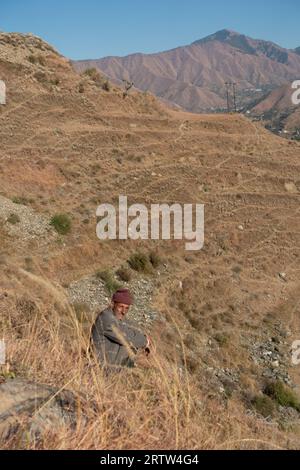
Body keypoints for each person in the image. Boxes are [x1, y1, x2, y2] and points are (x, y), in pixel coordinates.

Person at [91, 288, 150, 370]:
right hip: (102, 369)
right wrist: (145, 341)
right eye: (121, 307)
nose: (123, 311)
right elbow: (128, 338)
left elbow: (136, 329)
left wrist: (143, 337)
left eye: (127, 308)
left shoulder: (119, 318)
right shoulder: (105, 319)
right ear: (112, 304)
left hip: (114, 369)